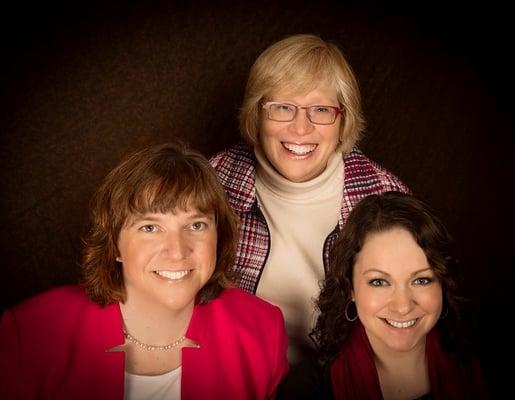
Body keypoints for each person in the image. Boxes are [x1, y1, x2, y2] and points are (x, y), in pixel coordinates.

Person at [0, 142, 289, 400]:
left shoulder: (262, 330)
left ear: (219, 236)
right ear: (114, 244)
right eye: (150, 228)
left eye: (196, 225)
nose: (177, 251)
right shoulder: (30, 335)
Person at [210, 34, 410, 364]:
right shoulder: (210, 184)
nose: (301, 129)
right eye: (283, 108)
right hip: (234, 372)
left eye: (320, 110)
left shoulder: (387, 197)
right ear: (257, 114)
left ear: (343, 119)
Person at [278, 191, 488, 399]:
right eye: (379, 282)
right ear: (349, 286)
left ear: (443, 283)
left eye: (421, 280)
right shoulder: (306, 389)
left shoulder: (485, 363)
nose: (403, 306)